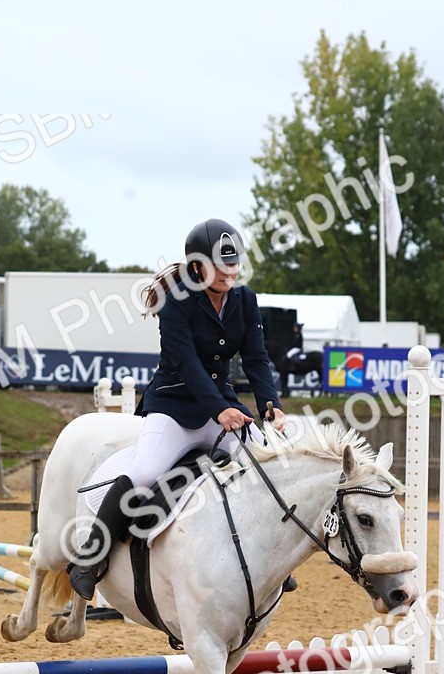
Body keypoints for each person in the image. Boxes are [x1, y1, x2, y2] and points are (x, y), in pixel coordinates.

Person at [67, 218, 288, 600]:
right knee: (145, 471)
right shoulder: (176, 302)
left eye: (234, 264)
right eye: (221, 265)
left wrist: (271, 406)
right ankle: (90, 556)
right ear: (198, 265)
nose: (229, 272)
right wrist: (220, 410)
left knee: (263, 469)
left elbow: (256, 358)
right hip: (173, 408)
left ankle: (269, 561)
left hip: (221, 408)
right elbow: (187, 364)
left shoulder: (245, 299)